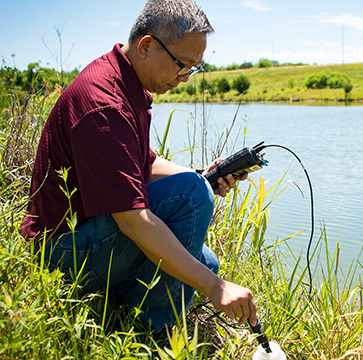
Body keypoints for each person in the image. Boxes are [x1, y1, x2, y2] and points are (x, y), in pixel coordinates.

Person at [20, 0, 257, 331]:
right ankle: (151, 328)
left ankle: (125, 295)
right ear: (147, 46)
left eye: (194, 69)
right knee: (194, 208)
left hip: (86, 233)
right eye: (182, 65)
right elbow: (133, 221)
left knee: (207, 260)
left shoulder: (123, 81)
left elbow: (142, 164)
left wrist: (202, 176)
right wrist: (215, 288)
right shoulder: (105, 104)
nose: (186, 78)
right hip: (60, 254)